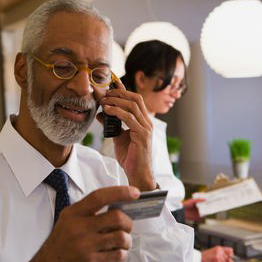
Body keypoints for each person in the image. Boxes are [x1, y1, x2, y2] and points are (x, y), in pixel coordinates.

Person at [0, 0, 195, 261]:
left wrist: (144, 181)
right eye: (63, 67)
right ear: (23, 70)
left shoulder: (112, 176)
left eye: (99, 74)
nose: (84, 88)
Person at [101, 40, 234, 262]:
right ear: (142, 79)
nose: (177, 93)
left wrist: (178, 207)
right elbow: (129, 222)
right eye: (173, 83)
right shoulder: (126, 139)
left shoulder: (152, 129)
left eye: (181, 85)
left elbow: (148, 198)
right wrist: (197, 257)